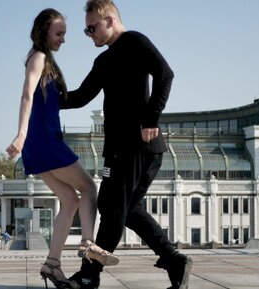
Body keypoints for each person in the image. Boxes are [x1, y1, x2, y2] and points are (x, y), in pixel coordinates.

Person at [61, 1, 192, 288]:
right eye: (86, 30)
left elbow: (165, 73)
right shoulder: (104, 61)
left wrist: (150, 119)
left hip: (135, 147)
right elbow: (81, 96)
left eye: (92, 28)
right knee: (127, 208)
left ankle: (89, 274)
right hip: (125, 150)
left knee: (112, 208)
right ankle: (173, 260)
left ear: (109, 21)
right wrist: (46, 98)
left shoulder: (134, 42)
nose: (89, 34)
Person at [6, 8, 119, 289]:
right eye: (59, 33)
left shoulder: (45, 61)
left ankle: (52, 264)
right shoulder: (39, 58)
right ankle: (88, 244)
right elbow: (26, 95)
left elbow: (64, 99)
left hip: (40, 144)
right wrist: (20, 134)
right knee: (90, 188)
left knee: (69, 200)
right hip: (44, 142)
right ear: (44, 32)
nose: (64, 39)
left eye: (65, 34)